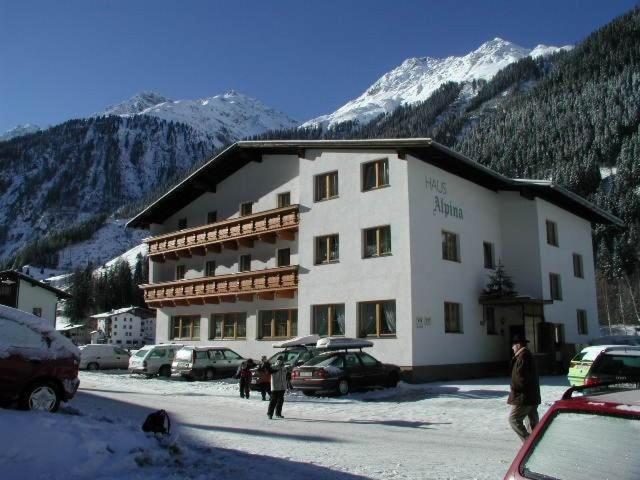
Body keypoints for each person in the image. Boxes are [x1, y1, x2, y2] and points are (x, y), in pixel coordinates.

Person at [508, 334, 541, 442]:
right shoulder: (526, 355)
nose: (512, 348)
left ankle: (528, 443)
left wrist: (513, 388)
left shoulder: (523, 357)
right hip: (531, 396)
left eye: (513, 346)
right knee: (533, 423)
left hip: (524, 397)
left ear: (518, 345)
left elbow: (521, 380)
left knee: (513, 419)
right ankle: (536, 443)